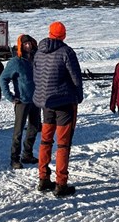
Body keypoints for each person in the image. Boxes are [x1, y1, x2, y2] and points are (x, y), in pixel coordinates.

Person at [33, 21, 83, 196]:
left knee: (46, 141)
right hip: (64, 103)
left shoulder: (39, 52)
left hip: (46, 103)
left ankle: (43, 178)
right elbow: (76, 77)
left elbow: (36, 76)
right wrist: (79, 96)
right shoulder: (66, 52)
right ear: (63, 35)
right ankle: (61, 183)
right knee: (63, 144)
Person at [0, 34, 41, 169]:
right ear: (20, 46)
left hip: (35, 100)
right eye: (25, 44)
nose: (28, 46)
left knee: (34, 128)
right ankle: (14, 158)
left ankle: (27, 154)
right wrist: (10, 97)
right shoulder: (16, 62)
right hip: (22, 101)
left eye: (29, 43)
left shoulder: (36, 59)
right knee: (18, 132)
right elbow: (3, 79)